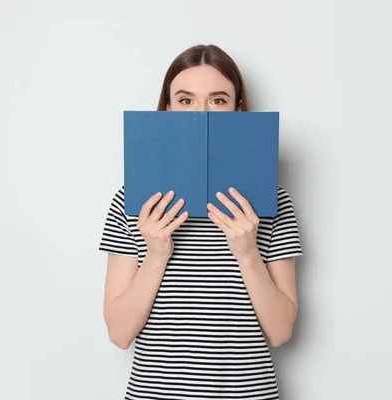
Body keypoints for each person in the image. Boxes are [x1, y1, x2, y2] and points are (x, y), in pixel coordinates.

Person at [99, 44, 304, 400]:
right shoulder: (132, 202)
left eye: (218, 100)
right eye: (186, 100)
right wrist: (157, 255)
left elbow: (281, 331)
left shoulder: (273, 201)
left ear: (239, 109)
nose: (202, 113)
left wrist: (247, 252)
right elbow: (119, 333)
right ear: (167, 108)